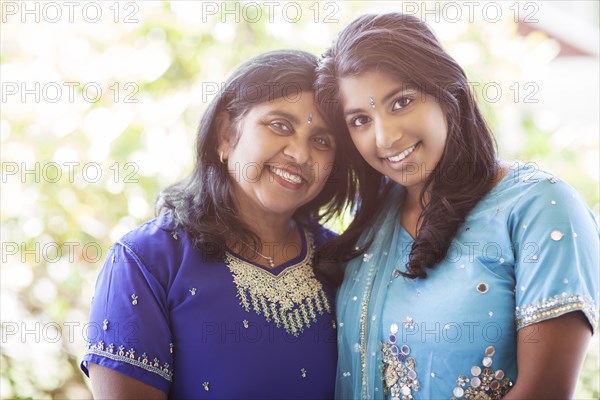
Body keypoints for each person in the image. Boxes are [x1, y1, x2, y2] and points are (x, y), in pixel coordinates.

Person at [316, 13, 599, 400]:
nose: (385, 137)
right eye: (361, 120)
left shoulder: (539, 207)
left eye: (401, 102)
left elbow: (545, 392)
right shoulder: (371, 226)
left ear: (447, 91)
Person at [80, 49, 355, 399]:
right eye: (280, 125)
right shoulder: (146, 261)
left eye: (321, 141)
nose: (300, 154)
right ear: (226, 133)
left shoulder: (343, 264)